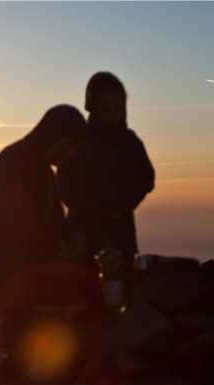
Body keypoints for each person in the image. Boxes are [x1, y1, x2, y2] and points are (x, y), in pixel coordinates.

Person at [0, 104, 96, 363]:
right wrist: (56, 249)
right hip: (17, 271)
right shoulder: (14, 161)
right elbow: (18, 219)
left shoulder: (41, 168)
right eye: (69, 147)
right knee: (22, 342)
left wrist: (71, 238)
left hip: (33, 268)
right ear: (56, 137)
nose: (69, 155)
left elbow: (55, 217)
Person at [58, 72, 155, 276]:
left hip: (121, 235)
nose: (112, 114)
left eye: (117, 108)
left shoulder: (131, 142)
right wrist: (91, 207)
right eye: (105, 109)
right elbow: (63, 184)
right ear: (92, 108)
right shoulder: (78, 143)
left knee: (122, 290)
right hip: (83, 236)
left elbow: (146, 178)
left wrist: (124, 203)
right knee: (84, 293)